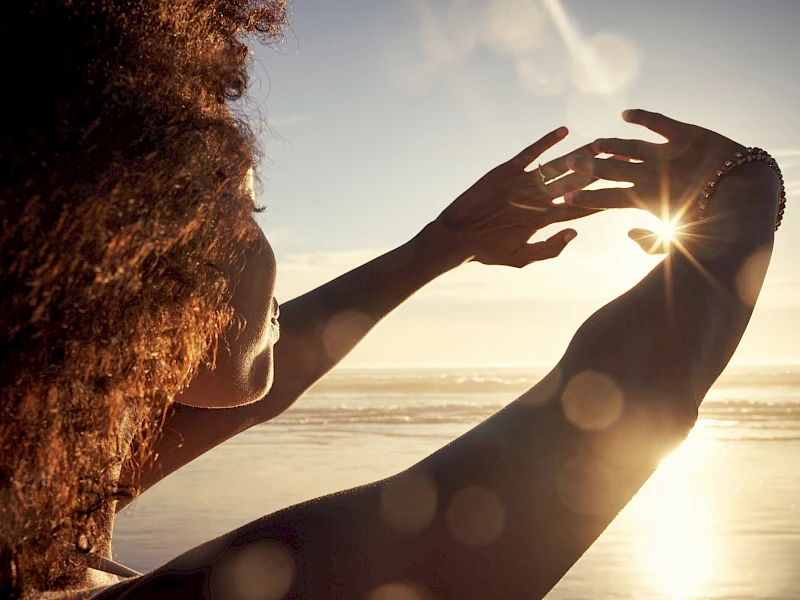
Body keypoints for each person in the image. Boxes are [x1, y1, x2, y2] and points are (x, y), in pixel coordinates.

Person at [0, 2, 784, 599]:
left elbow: (255, 382)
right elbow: (626, 407)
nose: (271, 254)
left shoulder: (32, 511)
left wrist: (441, 245)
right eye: (248, 212)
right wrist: (748, 195)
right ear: (128, 260)